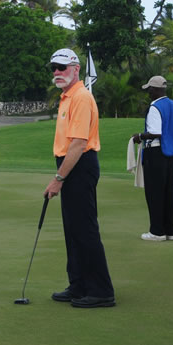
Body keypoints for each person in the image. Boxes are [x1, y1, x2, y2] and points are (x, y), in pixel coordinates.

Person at [43, 49, 115, 308]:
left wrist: (58, 179)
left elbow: (78, 144)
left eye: (62, 67)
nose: (57, 72)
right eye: (54, 68)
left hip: (79, 165)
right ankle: (79, 285)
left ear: (75, 69)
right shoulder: (67, 97)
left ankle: (101, 290)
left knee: (84, 230)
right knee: (72, 230)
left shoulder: (81, 97)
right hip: (70, 165)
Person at [132, 76, 173, 241]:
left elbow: (156, 132)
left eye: (149, 89)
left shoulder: (154, 107)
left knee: (155, 192)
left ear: (155, 89)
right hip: (169, 155)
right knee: (169, 191)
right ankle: (171, 231)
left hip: (155, 153)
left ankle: (157, 231)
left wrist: (139, 136)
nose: (148, 92)